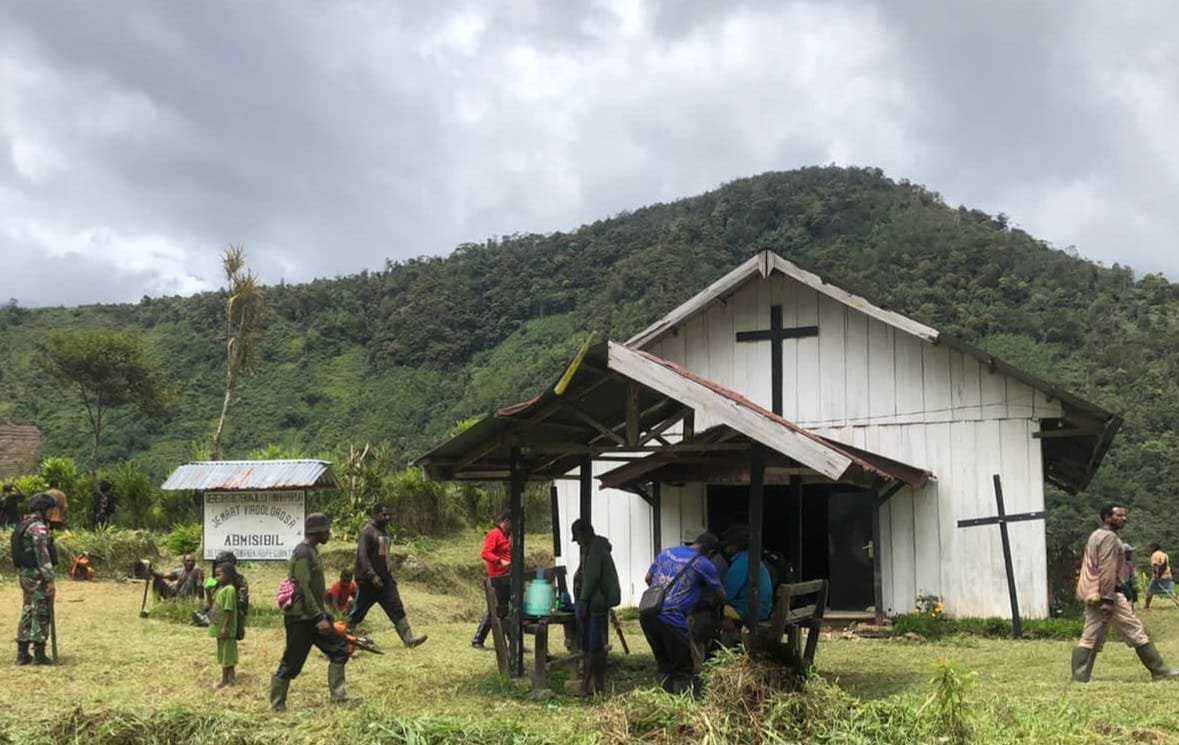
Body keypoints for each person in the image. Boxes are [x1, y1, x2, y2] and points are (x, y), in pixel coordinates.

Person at [1071, 504, 1179, 682]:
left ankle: (1080, 675)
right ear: (1107, 517)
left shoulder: (1096, 535)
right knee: (1134, 629)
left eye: (1124, 516)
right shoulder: (1110, 538)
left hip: (1093, 592)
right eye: (1119, 515)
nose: (1124, 519)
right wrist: (1107, 598)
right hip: (1109, 594)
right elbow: (1107, 568)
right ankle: (1159, 670)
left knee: (1091, 634)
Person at [271, 513, 354, 711]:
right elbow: (302, 588)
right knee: (291, 663)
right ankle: (277, 704)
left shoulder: (313, 551)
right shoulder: (302, 553)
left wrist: (324, 614)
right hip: (301, 619)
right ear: (317, 531)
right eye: (326, 530)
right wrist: (319, 617)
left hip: (315, 617)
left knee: (340, 649)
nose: (329, 533)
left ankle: (339, 696)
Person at [641, 532, 725, 695]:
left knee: (664, 663)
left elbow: (648, 578)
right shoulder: (704, 564)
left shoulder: (666, 552)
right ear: (711, 552)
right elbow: (721, 595)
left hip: (648, 614)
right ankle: (681, 706)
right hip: (673, 619)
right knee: (683, 669)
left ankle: (662, 699)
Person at [346, 503, 427, 648]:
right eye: (384, 515)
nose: (387, 517)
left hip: (385, 581)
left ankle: (409, 639)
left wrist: (388, 576)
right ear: (375, 515)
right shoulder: (367, 532)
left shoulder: (385, 533)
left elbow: (384, 557)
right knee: (358, 612)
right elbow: (362, 558)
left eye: (388, 515)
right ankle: (343, 637)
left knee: (396, 607)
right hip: (367, 582)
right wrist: (372, 576)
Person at [571, 518, 621, 696]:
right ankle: (597, 683)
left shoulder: (595, 550)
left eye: (577, 538)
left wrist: (583, 601)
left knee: (593, 647)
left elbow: (591, 577)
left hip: (594, 604)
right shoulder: (594, 549)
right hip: (595, 603)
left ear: (584, 535)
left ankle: (587, 685)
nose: (577, 542)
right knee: (595, 645)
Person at [14, 492, 58, 665]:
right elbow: (42, 555)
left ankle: (22, 653)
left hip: (25, 575)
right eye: (50, 510)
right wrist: (50, 579)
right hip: (37, 576)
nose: (51, 514)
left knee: (28, 610)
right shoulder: (38, 528)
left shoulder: (23, 524)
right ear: (43, 509)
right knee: (41, 612)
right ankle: (39, 654)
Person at [720, 525, 774, 641]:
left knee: (718, 612)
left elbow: (726, 594)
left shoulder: (740, 563)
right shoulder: (752, 559)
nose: (725, 549)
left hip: (750, 610)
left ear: (734, 546)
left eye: (727, 545)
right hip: (764, 609)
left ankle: (728, 646)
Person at [471, 512, 512, 650]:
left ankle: (512, 640)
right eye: (511, 524)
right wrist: (500, 561)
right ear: (506, 521)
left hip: (507, 576)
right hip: (497, 577)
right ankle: (478, 639)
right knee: (494, 609)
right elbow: (485, 553)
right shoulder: (494, 534)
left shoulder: (507, 536)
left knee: (507, 609)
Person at [210, 562, 238, 689]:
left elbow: (229, 610)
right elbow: (211, 603)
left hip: (225, 629)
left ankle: (229, 681)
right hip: (219, 629)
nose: (216, 578)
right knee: (223, 654)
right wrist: (207, 590)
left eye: (219, 575)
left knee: (228, 655)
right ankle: (224, 680)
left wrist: (225, 627)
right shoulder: (220, 589)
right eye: (215, 575)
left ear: (228, 575)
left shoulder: (230, 590)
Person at [1145, 542, 1179, 609]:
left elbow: (1156, 566)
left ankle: (1146, 606)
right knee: (1171, 591)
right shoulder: (1164, 554)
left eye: (1151, 548)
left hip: (1159, 576)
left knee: (1149, 591)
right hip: (1168, 575)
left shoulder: (1155, 555)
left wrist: (1157, 576)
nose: (1150, 550)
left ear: (1154, 548)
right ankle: (1178, 603)